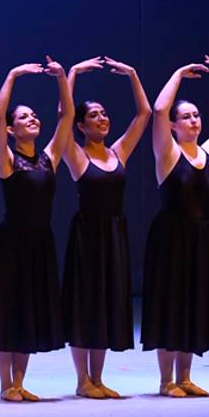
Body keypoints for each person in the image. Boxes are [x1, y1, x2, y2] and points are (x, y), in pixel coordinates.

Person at [143, 56, 209, 397]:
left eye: (196, 115)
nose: (193, 120)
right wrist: (177, 74)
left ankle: (185, 378)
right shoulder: (168, 154)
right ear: (174, 126)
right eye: (186, 116)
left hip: (205, 238)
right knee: (171, 304)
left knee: (194, 305)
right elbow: (158, 110)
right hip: (173, 238)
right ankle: (165, 381)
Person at [0, 57, 74, 402]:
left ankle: (19, 382)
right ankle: (5, 384)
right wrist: (12, 74)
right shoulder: (6, 159)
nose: (32, 118)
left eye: (34, 115)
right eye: (23, 116)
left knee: (29, 312)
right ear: (11, 129)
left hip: (40, 243)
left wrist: (61, 78)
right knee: (8, 311)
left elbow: (67, 116)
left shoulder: (48, 156)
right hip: (11, 244)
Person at [60, 56, 150, 399]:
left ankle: (97, 378)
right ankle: (82, 380)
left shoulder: (118, 152)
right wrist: (71, 74)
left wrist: (132, 74)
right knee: (86, 305)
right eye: (93, 115)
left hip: (114, 235)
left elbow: (144, 114)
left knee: (106, 304)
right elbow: (62, 117)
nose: (102, 118)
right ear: (82, 125)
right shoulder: (77, 155)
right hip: (87, 237)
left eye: (104, 113)